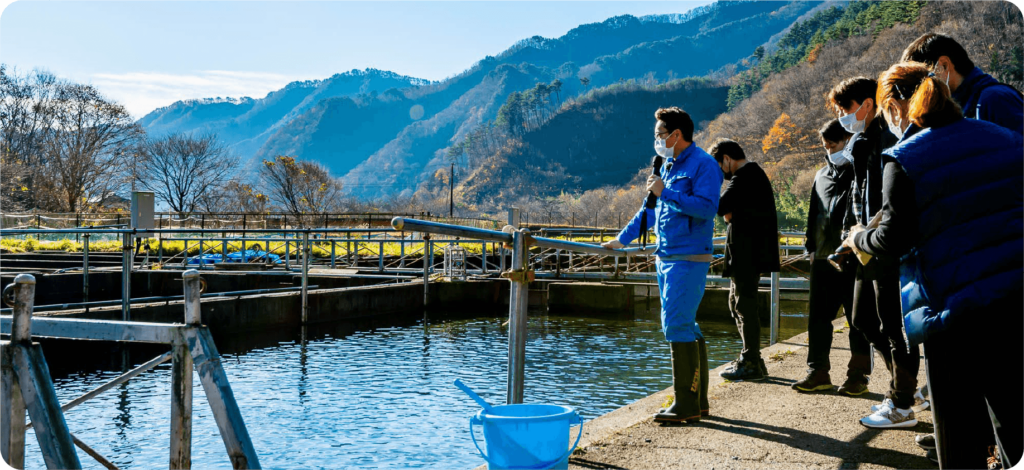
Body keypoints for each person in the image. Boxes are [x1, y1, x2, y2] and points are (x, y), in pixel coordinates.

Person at [845, 61, 1023, 470]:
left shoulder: (903, 158)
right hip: (1013, 296)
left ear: (893, 107)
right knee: (1013, 414)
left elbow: (893, 238)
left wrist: (857, 238)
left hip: (952, 305)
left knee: (958, 429)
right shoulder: (1007, 139)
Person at [602, 107, 722, 423]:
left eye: (659, 134)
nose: (657, 140)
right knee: (686, 324)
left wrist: (665, 192)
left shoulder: (704, 165)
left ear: (676, 134)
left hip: (689, 257)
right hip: (665, 255)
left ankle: (685, 404)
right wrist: (620, 241)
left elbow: (708, 209)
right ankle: (698, 401)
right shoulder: (667, 166)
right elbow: (649, 212)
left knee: (676, 324)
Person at [826, 77, 920, 429]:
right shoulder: (860, 142)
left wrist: (867, 233)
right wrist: (851, 235)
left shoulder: (887, 138)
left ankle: (902, 401)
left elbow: (887, 200)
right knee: (864, 319)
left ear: (867, 104)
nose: (842, 116)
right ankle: (904, 385)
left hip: (884, 243)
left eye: (846, 108)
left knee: (894, 324)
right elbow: (859, 195)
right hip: (863, 243)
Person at [791, 120, 873, 395]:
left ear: (847, 141)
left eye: (834, 145)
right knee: (818, 319)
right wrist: (810, 248)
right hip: (823, 258)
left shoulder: (860, 171)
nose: (829, 151)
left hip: (854, 257)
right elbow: (814, 213)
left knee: (857, 320)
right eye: (825, 146)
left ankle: (858, 376)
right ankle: (817, 372)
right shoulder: (821, 175)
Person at [709, 139, 780, 381]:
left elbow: (720, 207)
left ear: (727, 158)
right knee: (736, 303)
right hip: (749, 252)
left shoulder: (744, 176)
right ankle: (752, 358)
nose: (721, 172)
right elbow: (729, 211)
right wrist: (731, 215)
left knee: (743, 304)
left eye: (720, 166)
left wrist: (730, 215)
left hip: (748, 253)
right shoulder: (753, 175)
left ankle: (751, 361)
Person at [900, 32, 1024, 135]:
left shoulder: (994, 99)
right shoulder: (961, 107)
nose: (919, 90)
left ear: (943, 65)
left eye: (921, 79)